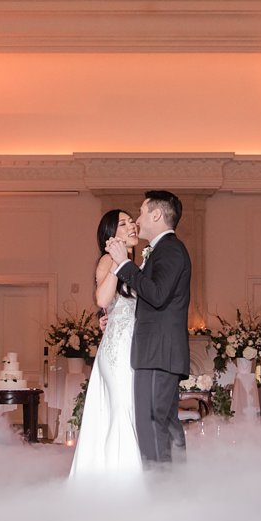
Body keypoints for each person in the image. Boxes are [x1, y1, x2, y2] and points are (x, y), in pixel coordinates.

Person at [105, 190, 191, 466]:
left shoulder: (171, 249)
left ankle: (161, 492)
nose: (138, 219)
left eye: (141, 212)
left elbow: (156, 294)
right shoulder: (162, 250)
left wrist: (125, 265)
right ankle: (175, 488)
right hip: (157, 352)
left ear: (156, 214)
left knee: (152, 423)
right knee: (163, 423)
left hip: (158, 352)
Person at [71, 209, 143, 477]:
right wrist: (115, 261)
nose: (132, 226)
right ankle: (122, 479)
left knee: (132, 408)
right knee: (121, 407)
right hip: (117, 350)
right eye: (123, 224)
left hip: (136, 346)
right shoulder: (106, 260)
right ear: (111, 236)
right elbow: (102, 300)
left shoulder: (140, 263)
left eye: (131, 221)